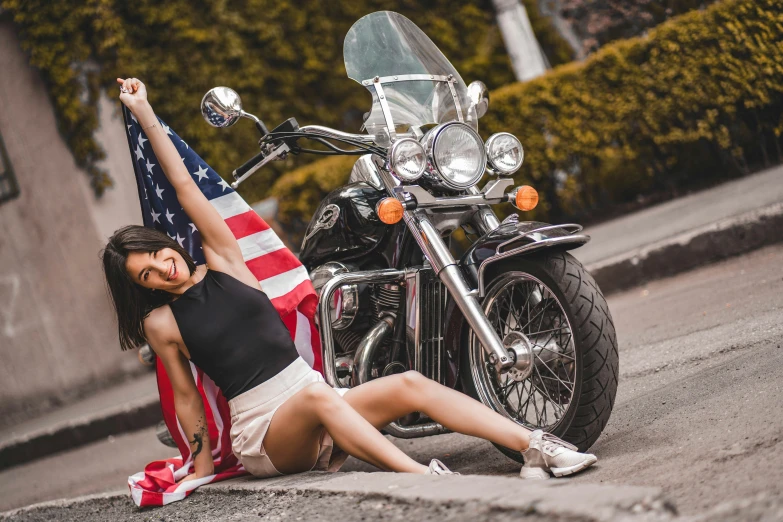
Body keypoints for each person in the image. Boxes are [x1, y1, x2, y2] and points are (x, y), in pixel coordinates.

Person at [103, 77, 598, 483]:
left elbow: (186, 189)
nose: (160, 268)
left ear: (165, 242)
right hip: (266, 433)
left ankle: (537, 447)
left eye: (155, 253)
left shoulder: (225, 262)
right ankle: (424, 477)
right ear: (144, 286)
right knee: (319, 396)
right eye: (146, 274)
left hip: (320, 400)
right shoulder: (163, 322)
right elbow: (187, 397)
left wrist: (146, 110)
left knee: (407, 383)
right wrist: (201, 466)